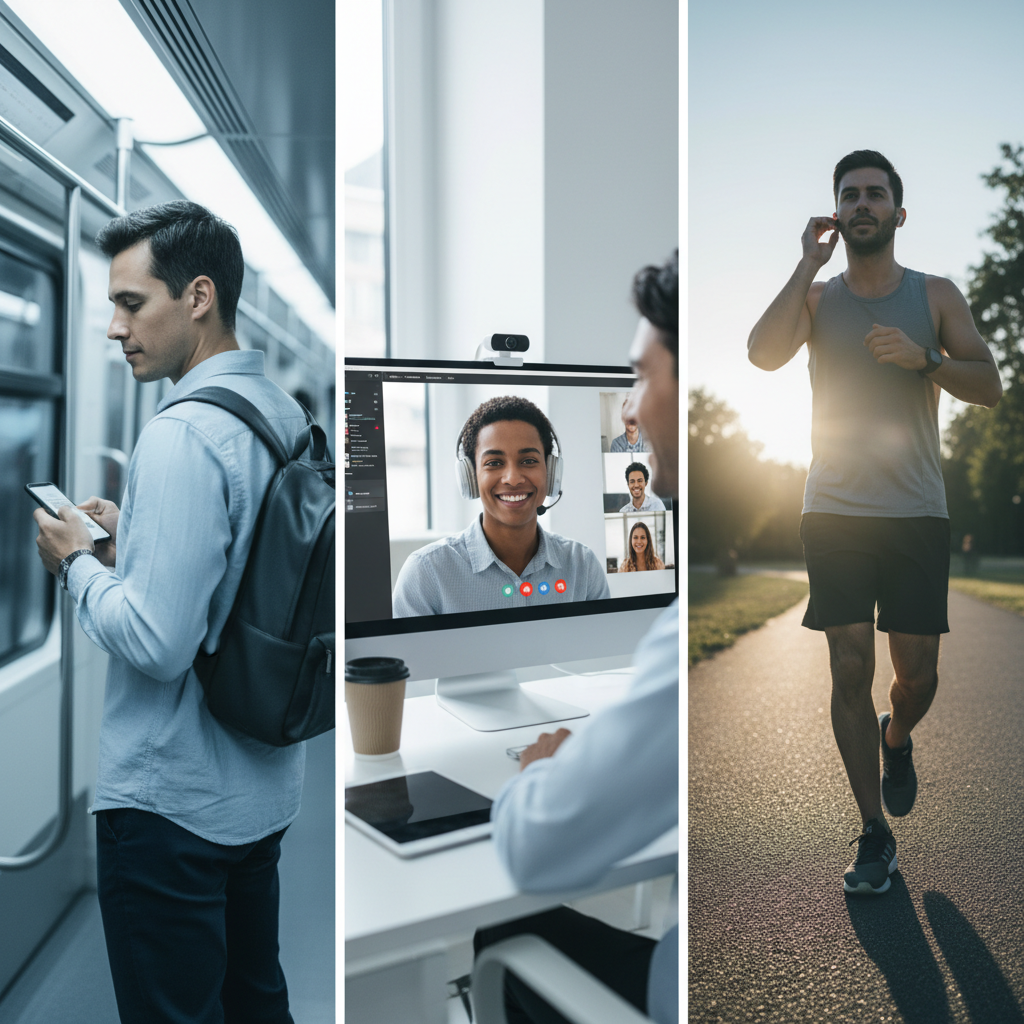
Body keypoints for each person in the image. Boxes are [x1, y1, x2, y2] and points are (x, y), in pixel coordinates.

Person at [32, 201, 307, 1023]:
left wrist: (76, 564)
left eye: (131, 303)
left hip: (171, 803)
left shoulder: (182, 434)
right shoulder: (284, 416)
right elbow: (247, 571)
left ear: (197, 296)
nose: (115, 328)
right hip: (259, 790)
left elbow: (158, 644)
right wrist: (137, 537)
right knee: (254, 1001)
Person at [747, 151, 1001, 895]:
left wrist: (925, 359)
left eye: (876, 194)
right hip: (833, 509)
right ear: (836, 213)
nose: (863, 203)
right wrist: (806, 263)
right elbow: (761, 355)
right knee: (850, 664)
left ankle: (899, 735)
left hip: (917, 509)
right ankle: (873, 833)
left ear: (898, 213)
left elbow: (989, 385)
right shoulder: (817, 298)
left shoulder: (935, 294)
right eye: (850, 194)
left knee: (915, 676)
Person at [474, 250, 679, 1024]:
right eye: (494, 461)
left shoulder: (606, 580)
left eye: (641, 377)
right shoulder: (427, 574)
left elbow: (536, 849)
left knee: (501, 932)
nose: (630, 410)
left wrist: (539, 774)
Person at [392, 396, 609, 617]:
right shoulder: (426, 574)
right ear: (471, 477)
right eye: (494, 463)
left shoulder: (583, 566)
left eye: (529, 461)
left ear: (551, 471)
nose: (512, 479)